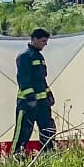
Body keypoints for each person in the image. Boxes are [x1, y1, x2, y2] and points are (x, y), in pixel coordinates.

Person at [12, 27, 56, 155]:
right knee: (23, 133)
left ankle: (48, 155)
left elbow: (41, 79)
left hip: (42, 103)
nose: (45, 44)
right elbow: (23, 79)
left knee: (47, 130)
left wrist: (48, 93)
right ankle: (16, 156)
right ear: (34, 39)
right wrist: (31, 98)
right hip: (27, 103)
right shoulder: (24, 56)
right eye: (43, 41)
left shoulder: (39, 56)